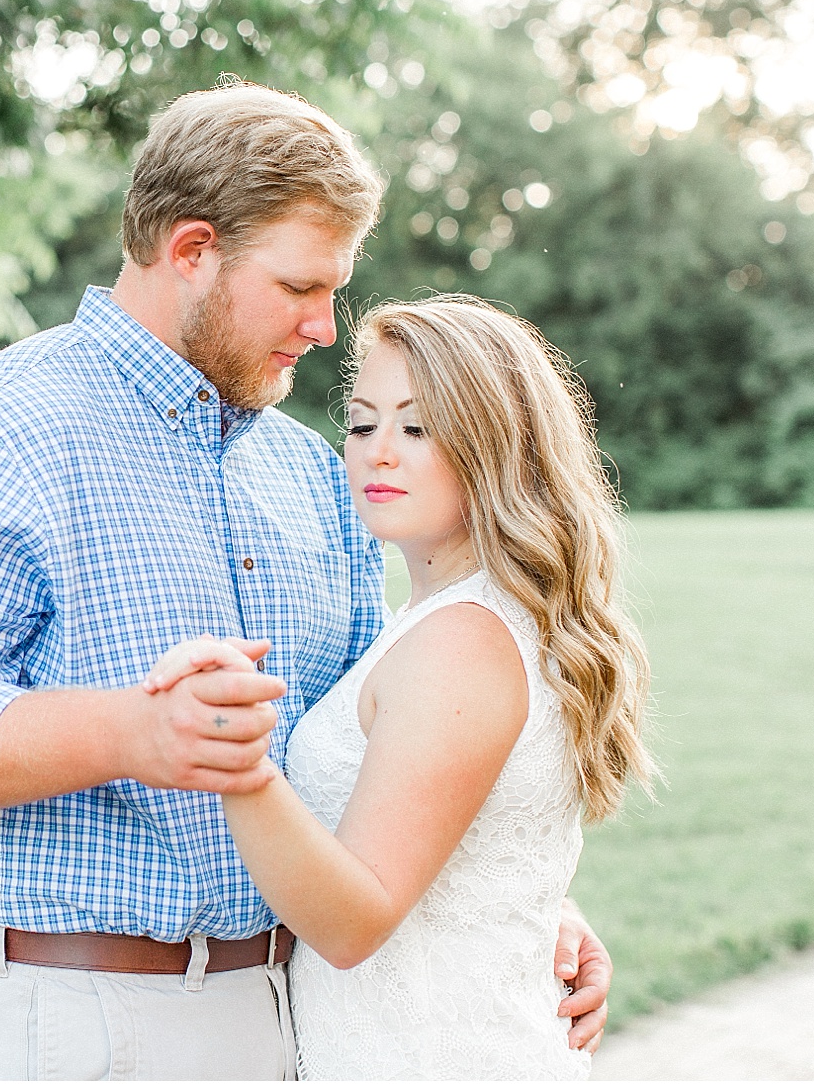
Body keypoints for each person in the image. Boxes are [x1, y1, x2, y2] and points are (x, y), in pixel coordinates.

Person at [0, 81, 612, 1080]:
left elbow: (368, 746)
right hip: (86, 1022)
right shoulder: (1, 422)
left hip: (299, 1015)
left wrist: (493, 894)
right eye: (300, 288)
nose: (327, 327)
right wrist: (138, 733)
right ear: (193, 250)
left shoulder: (304, 470)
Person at [147, 295, 655, 1077]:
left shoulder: (461, 640)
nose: (378, 451)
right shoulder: (447, 616)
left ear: (495, 444)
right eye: (362, 423)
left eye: (417, 427)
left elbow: (354, 922)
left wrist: (231, 755)